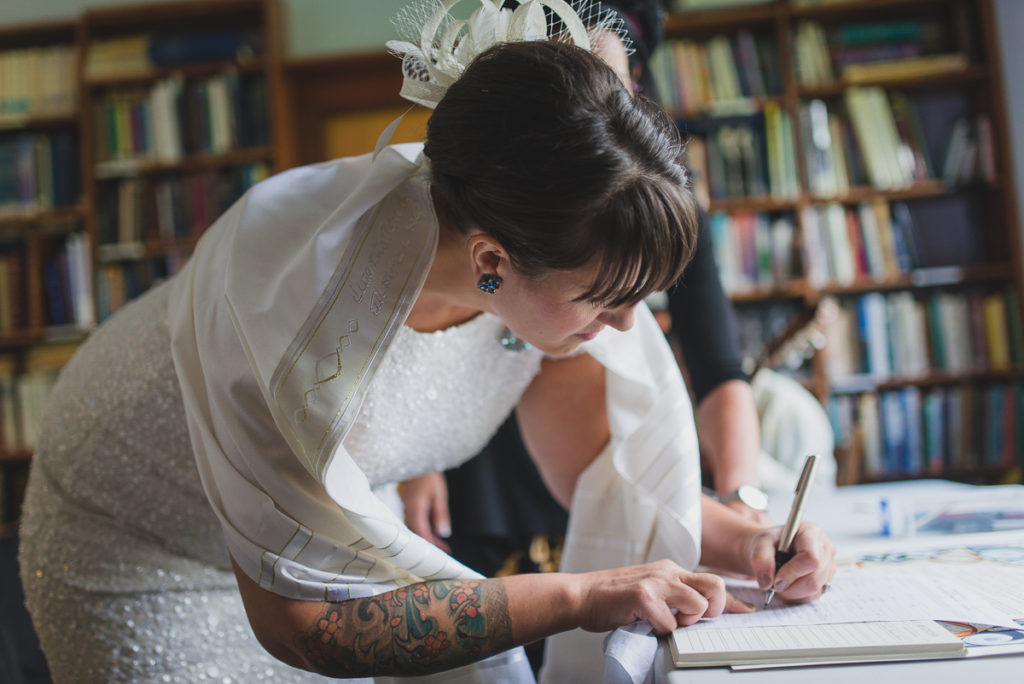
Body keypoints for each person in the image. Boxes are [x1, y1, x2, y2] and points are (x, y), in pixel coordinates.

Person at [18, 1, 836, 681]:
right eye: (604, 301)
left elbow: (603, 466)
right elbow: (302, 626)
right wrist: (581, 595)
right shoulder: (292, 300)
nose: (628, 327)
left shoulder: (538, 251)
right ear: (492, 261)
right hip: (140, 554)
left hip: (323, 536)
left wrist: (751, 540)